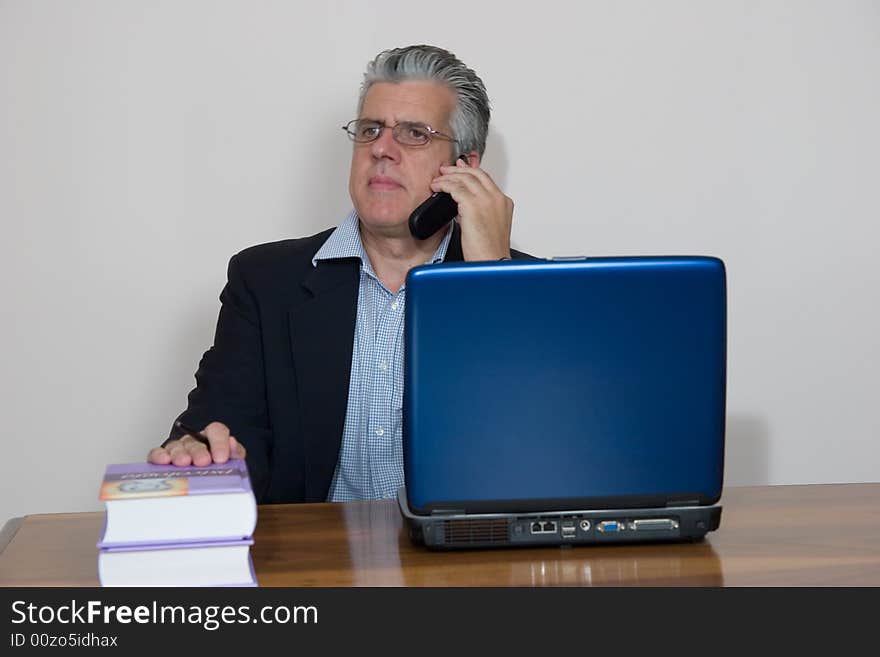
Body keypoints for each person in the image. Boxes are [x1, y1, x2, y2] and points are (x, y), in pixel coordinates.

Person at [147, 44, 531, 503]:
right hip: (314, 568)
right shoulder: (266, 282)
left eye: (414, 134)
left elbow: (540, 456)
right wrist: (199, 451)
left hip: (465, 567)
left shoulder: (526, 290)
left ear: (465, 170)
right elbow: (216, 432)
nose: (382, 150)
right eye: (370, 130)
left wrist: (490, 276)